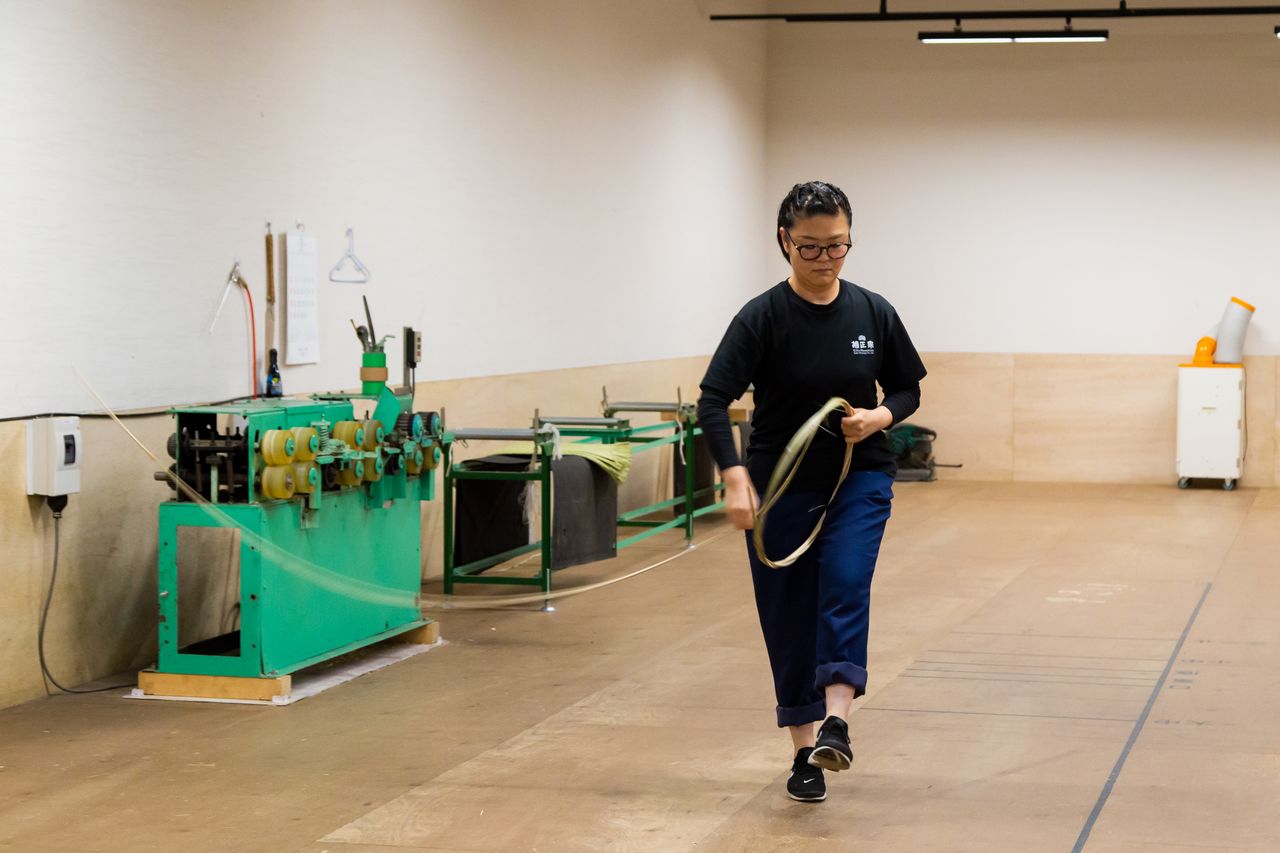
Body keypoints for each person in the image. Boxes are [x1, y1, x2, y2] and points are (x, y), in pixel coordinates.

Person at [696, 181, 926, 803]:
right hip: (780, 485)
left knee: (846, 581)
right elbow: (713, 400)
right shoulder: (762, 317)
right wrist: (734, 474)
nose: (826, 261)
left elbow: (908, 389)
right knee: (789, 613)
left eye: (838, 247)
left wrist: (879, 418)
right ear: (784, 242)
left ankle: (837, 723)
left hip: (860, 474)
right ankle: (804, 755)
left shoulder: (872, 311)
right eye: (811, 249)